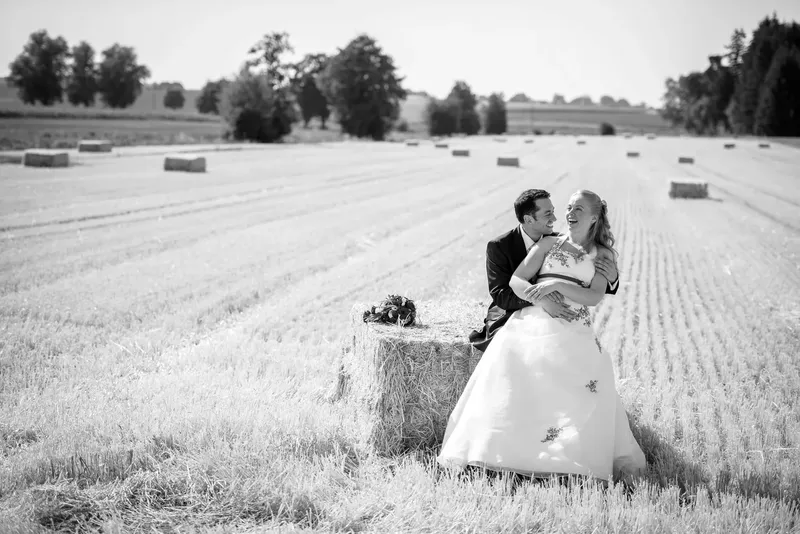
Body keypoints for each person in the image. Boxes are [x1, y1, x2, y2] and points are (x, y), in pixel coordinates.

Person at [438, 189, 646, 482]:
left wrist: (556, 287)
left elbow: (595, 294)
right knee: (513, 358)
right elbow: (515, 282)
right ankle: (499, 450)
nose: (567, 214)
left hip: (574, 322)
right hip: (530, 316)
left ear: (595, 217)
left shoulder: (604, 254)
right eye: (568, 207)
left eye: (578, 209)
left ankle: (565, 455)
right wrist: (542, 296)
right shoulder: (547, 242)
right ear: (528, 218)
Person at [468, 189, 619, 353]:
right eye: (548, 214)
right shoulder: (500, 246)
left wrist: (613, 277)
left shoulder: (560, 240)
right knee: (508, 347)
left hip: (571, 316)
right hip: (512, 309)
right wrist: (543, 301)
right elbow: (502, 294)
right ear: (528, 219)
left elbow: (594, 288)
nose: (555, 218)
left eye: (554, 212)